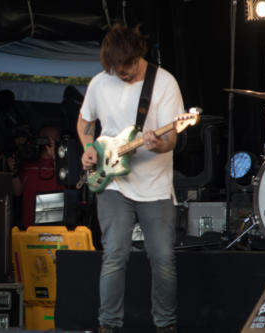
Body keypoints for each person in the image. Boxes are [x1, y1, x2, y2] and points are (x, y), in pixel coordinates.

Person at [77, 24, 183, 333]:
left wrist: (158, 143)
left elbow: (172, 138)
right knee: (114, 254)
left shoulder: (164, 83)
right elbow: (85, 121)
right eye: (117, 70)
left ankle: (166, 325)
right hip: (113, 182)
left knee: (163, 258)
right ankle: (108, 325)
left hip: (155, 184)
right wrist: (87, 148)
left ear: (139, 54)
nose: (122, 74)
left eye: (128, 68)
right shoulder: (99, 82)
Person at [10, 126, 65, 229]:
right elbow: (17, 192)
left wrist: (55, 157)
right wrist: (13, 172)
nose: (50, 142)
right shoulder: (28, 164)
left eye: (55, 139)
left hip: (54, 226)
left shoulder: (64, 165)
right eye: (46, 139)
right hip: (29, 226)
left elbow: (65, 185)